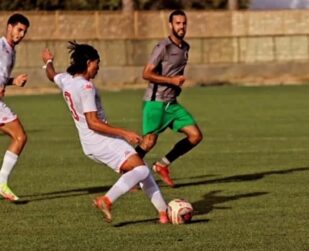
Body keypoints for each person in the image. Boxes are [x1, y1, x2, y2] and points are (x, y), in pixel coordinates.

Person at [41, 42, 169, 224]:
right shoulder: (86, 87)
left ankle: (164, 214)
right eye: (96, 64)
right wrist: (125, 133)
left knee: (142, 170)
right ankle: (107, 200)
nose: (98, 68)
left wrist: (48, 62)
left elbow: (52, 75)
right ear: (88, 62)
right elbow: (93, 123)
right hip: (100, 139)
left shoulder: (67, 80)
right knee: (140, 169)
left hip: (90, 143)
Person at [135, 10, 203, 188]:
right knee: (148, 142)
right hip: (155, 101)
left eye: (184, 23)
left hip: (171, 104)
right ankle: (129, 174)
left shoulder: (185, 48)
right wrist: (171, 80)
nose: (181, 27)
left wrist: (175, 85)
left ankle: (162, 165)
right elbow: (146, 73)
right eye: (178, 23)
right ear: (171, 25)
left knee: (195, 136)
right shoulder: (162, 47)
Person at [0, 14, 30, 201]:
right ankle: (1, 182)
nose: (21, 35)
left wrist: (12, 81)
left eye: (24, 32)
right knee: (20, 136)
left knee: (20, 136)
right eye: (19, 29)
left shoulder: (12, 51)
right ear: (9, 27)